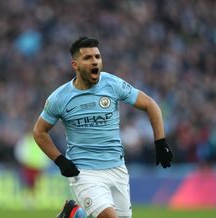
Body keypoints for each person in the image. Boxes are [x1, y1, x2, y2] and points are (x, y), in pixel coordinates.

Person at [32, 36, 173, 218]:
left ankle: (75, 214)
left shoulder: (112, 84)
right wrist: (60, 161)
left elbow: (150, 104)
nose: (95, 62)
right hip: (84, 172)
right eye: (88, 58)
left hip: (117, 168)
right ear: (75, 65)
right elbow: (39, 131)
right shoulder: (59, 98)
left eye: (97, 57)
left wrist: (160, 143)